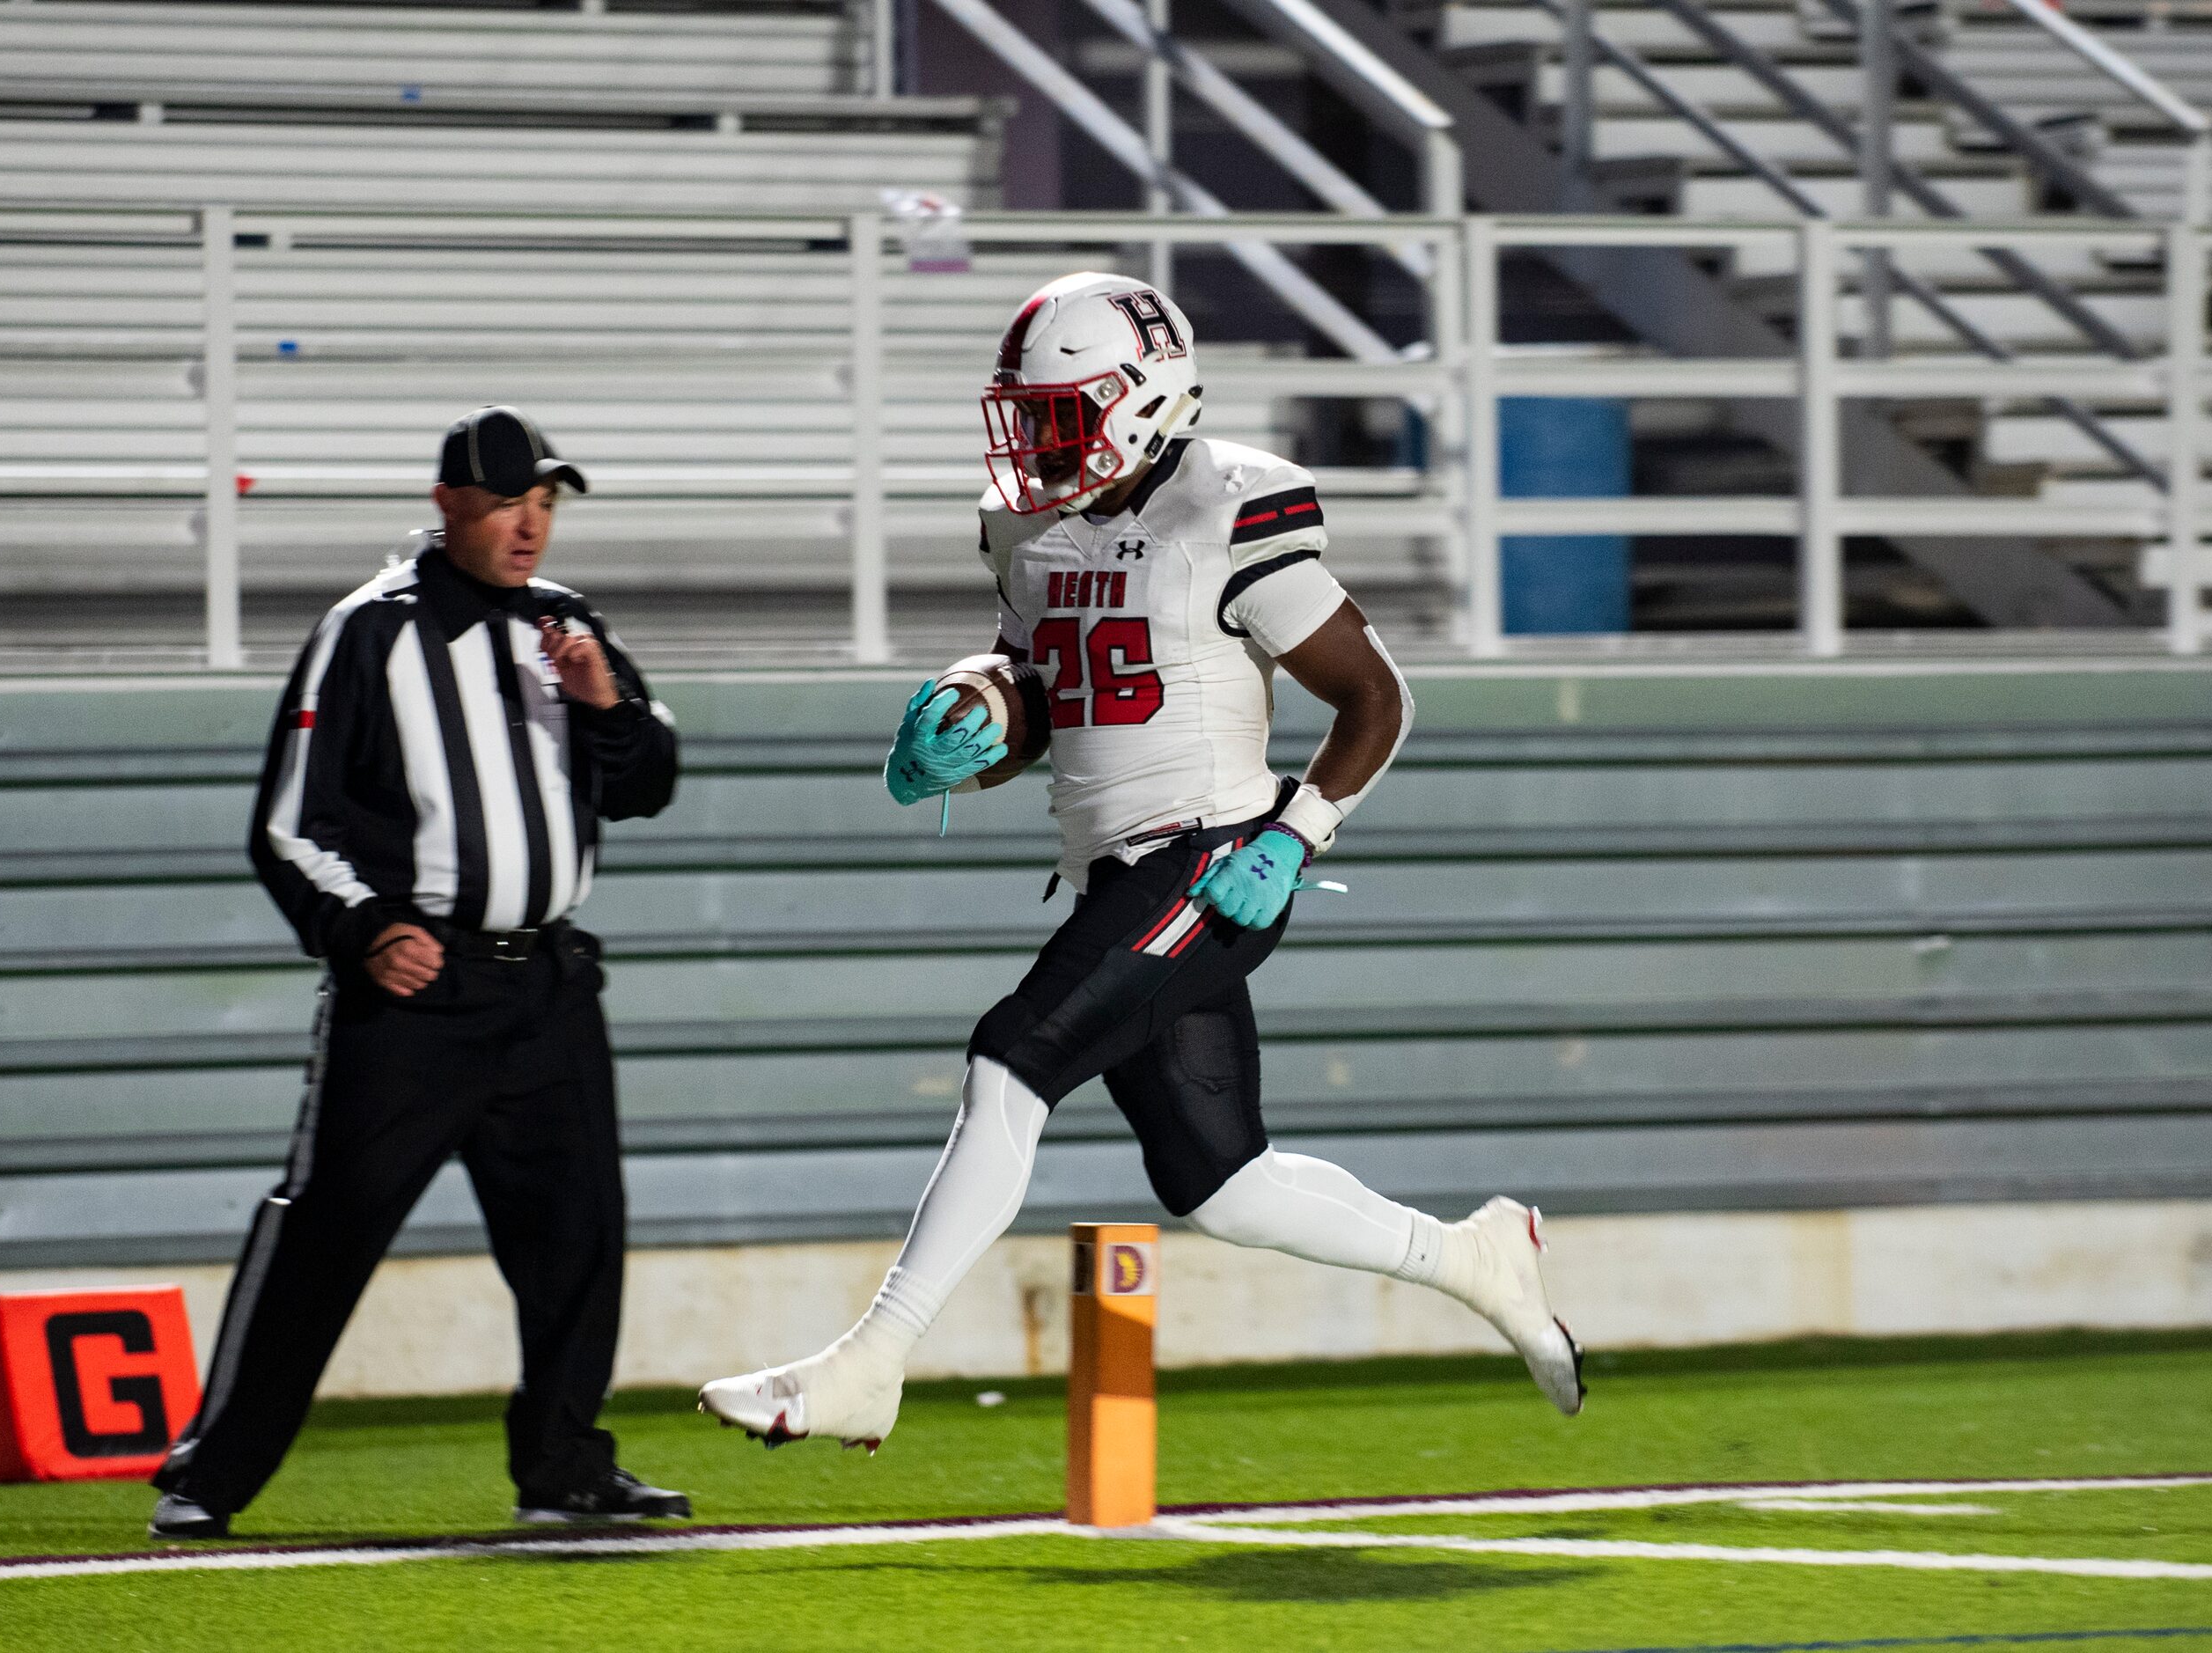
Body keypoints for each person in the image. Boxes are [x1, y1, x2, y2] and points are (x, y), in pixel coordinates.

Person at [698, 275, 1584, 1451]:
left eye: (1061, 414)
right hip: (1116, 872)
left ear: (1138, 401)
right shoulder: (1023, 526)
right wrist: (968, 731)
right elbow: (1044, 699)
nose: (1038, 441)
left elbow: (1376, 696)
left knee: (1011, 1059)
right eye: (1028, 415)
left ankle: (872, 1360)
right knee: (1224, 1182)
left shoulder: (1231, 503)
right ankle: (1475, 1258)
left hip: (1215, 858)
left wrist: (1292, 836)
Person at [150, 407, 691, 1538]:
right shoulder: (367, 631)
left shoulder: (568, 623)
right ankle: (211, 1473)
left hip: (545, 987)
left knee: (579, 1235)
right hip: (417, 998)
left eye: (546, 503)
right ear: (449, 506)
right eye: (508, 503)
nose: (531, 524)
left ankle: (565, 1470)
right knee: (325, 1231)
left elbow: (647, 782)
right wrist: (368, 931)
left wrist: (605, 705)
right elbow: (292, 825)